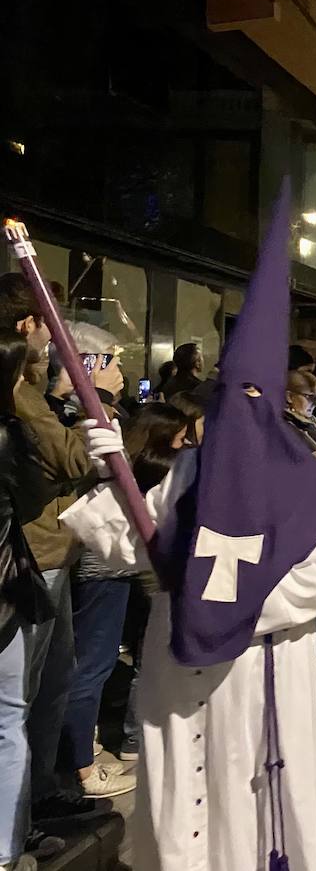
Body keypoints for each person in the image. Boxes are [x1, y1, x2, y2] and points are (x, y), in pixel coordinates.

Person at [61, 195, 316, 871]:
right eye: (231, 398)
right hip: (180, 661)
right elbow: (119, 535)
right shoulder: (187, 471)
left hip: (262, 666)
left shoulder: (313, 487)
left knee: (251, 799)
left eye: (256, 398)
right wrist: (107, 467)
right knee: (188, 794)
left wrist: (236, 604)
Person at [0, 273, 104, 825]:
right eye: (49, 322)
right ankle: (17, 817)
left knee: (51, 683)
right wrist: (94, 434)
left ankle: (37, 793)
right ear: (27, 325)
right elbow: (69, 460)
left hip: (52, 551)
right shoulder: (16, 392)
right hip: (32, 558)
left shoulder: (30, 384)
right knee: (21, 695)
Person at [60, 403, 189, 799]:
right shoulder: (146, 469)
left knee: (93, 665)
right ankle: (80, 765)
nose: (186, 446)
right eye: (182, 439)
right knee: (92, 667)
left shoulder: (134, 464)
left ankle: (81, 750)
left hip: (109, 574)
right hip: (105, 573)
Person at [0, 330, 58, 871]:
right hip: (4, 598)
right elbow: (49, 484)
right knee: (9, 717)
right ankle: (5, 848)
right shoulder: (11, 436)